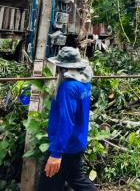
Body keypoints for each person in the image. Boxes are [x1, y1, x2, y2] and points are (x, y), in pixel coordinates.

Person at [38, 47, 97, 191]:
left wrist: (56, 154)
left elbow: (67, 121)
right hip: (77, 142)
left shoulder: (68, 87)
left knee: (47, 186)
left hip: (66, 147)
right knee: (77, 180)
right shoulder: (84, 82)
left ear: (61, 66)